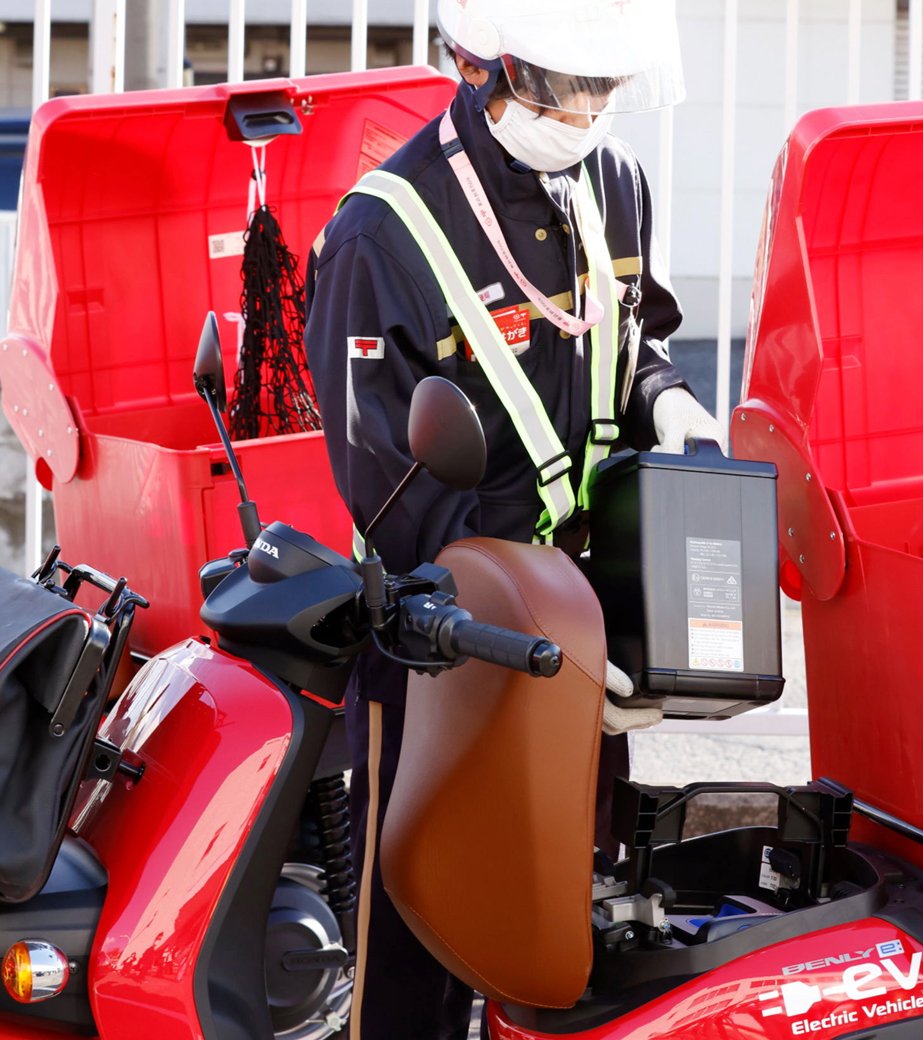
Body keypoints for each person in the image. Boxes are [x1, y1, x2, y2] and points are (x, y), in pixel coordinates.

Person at [302, 1, 723, 1037]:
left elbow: (632, 342)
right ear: (471, 60)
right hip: (443, 644)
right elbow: (392, 492)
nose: (585, 114)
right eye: (559, 87)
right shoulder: (381, 231)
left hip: (578, 627)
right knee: (421, 952)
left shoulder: (614, 186)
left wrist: (672, 401)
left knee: (566, 934)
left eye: (604, 88)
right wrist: (540, 633)